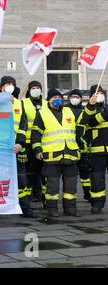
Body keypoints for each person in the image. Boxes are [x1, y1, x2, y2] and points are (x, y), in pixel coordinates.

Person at [31, 88, 84, 217]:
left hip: (71, 154)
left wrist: (81, 148)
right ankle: (52, 210)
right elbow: (36, 133)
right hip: (52, 157)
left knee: (71, 186)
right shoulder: (42, 113)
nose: (57, 100)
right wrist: (37, 150)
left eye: (59, 97)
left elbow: (79, 130)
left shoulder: (69, 111)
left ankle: (70, 209)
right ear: (48, 100)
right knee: (52, 187)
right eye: (54, 98)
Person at [0, 76, 35, 217]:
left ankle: (25, 209)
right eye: (7, 84)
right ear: (1, 87)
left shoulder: (19, 104)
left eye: (12, 84)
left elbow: (23, 126)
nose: (9, 86)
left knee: (22, 180)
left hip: (15, 148)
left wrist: (20, 143)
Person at [77, 85, 108, 213]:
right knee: (96, 179)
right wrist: (91, 106)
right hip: (97, 152)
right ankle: (97, 203)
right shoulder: (88, 110)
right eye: (96, 93)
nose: (99, 95)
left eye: (101, 93)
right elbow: (84, 122)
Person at [23, 81, 48, 203]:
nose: (36, 89)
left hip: (44, 141)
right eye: (33, 88)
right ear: (29, 90)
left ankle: (40, 194)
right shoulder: (24, 103)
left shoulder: (46, 103)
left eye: (38, 87)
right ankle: (29, 194)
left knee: (42, 170)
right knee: (30, 170)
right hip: (27, 142)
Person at [66, 89, 91, 201]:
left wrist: (87, 142)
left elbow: (89, 130)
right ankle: (70, 197)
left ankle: (87, 194)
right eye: (73, 96)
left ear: (81, 99)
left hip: (82, 148)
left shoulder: (85, 111)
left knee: (85, 174)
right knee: (70, 175)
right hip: (68, 148)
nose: (75, 99)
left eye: (77, 97)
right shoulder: (65, 110)